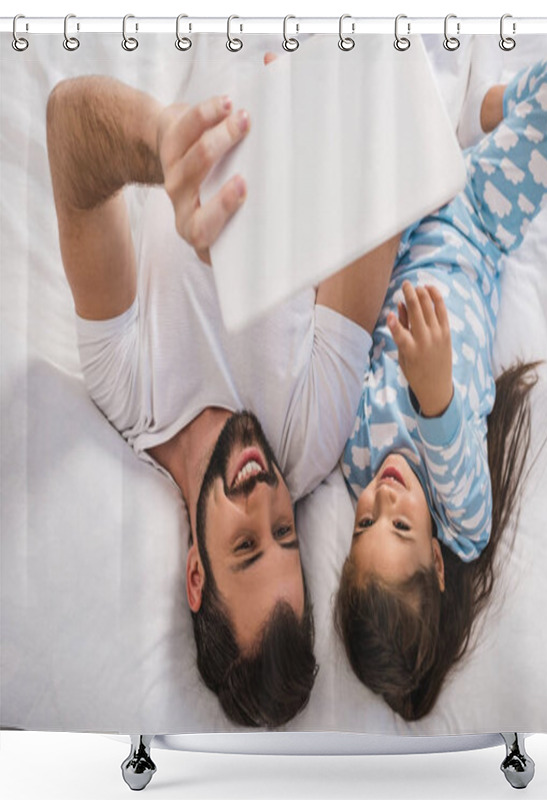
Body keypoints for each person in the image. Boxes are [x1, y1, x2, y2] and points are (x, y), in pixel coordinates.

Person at [46, 74, 403, 727]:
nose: (267, 495)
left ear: (194, 575)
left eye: (246, 545)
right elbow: (389, 181)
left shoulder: (128, 389)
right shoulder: (311, 438)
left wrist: (165, 144)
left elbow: (70, 128)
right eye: (286, 533)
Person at [334, 37, 547, 720]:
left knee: (364, 69)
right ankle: (491, 109)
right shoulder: (462, 523)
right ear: (436, 560)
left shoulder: (352, 463)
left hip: (397, 223)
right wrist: (433, 394)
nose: (383, 498)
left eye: (363, 523)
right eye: (398, 527)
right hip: (477, 220)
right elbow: (456, 456)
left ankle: (478, 111)